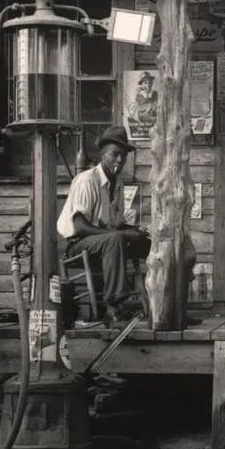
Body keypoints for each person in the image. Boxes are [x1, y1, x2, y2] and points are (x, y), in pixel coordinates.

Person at [57, 125, 151, 325]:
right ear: (102, 154)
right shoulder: (86, 180)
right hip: (77, 244)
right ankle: (113, 307)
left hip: (104, 241)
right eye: (115, 154)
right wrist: (120, 234)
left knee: (150, 242)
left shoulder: (117, 184)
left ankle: (164, 302)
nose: (120, 160)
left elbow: (115, 225)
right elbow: (80, 226)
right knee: (116, 239)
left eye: (123, 156)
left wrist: (133, 231)